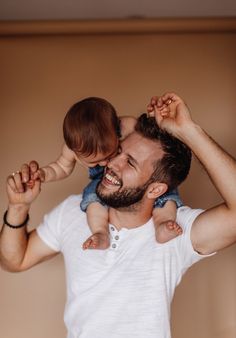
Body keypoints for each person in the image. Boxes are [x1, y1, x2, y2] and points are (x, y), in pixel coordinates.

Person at [1, 92, 236, 338]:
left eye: (130, 163)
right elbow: (14, 261)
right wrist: (18, 207)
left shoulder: (176, 229)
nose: (112, 164)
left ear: (156, 189)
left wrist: (189, 131)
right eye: (118, 152)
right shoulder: (73, 210)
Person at [31, 96, 183, 249]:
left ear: (116, 130)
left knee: (167, 195)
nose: (106, 163)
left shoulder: (127, 126)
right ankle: (100, 232)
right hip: (101, 181)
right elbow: (61, 168)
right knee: (92, 201)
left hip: (141, 181)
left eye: (112, 153)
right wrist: (43, 174)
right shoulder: (72, 149)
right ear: (76, 152)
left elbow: (149, 139)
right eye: (95, 161)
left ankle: (163, 223)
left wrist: (155, 118)